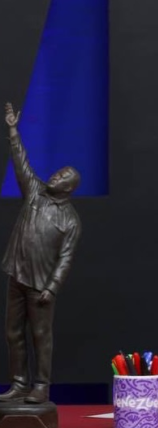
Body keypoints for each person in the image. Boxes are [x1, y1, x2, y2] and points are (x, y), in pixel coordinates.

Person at [0, 103, 81, 403]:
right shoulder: (34, 192)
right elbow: (21, 163)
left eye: (62, 176)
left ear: (69, 189)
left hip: (41, 286)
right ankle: (19, 382)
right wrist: (13, 131)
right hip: (17, 273)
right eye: (58, 172)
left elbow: (66, 258)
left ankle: (41, 385)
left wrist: (52, 287)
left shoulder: (70, 220)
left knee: (40, 336)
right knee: (12, 333)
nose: (56, 176)